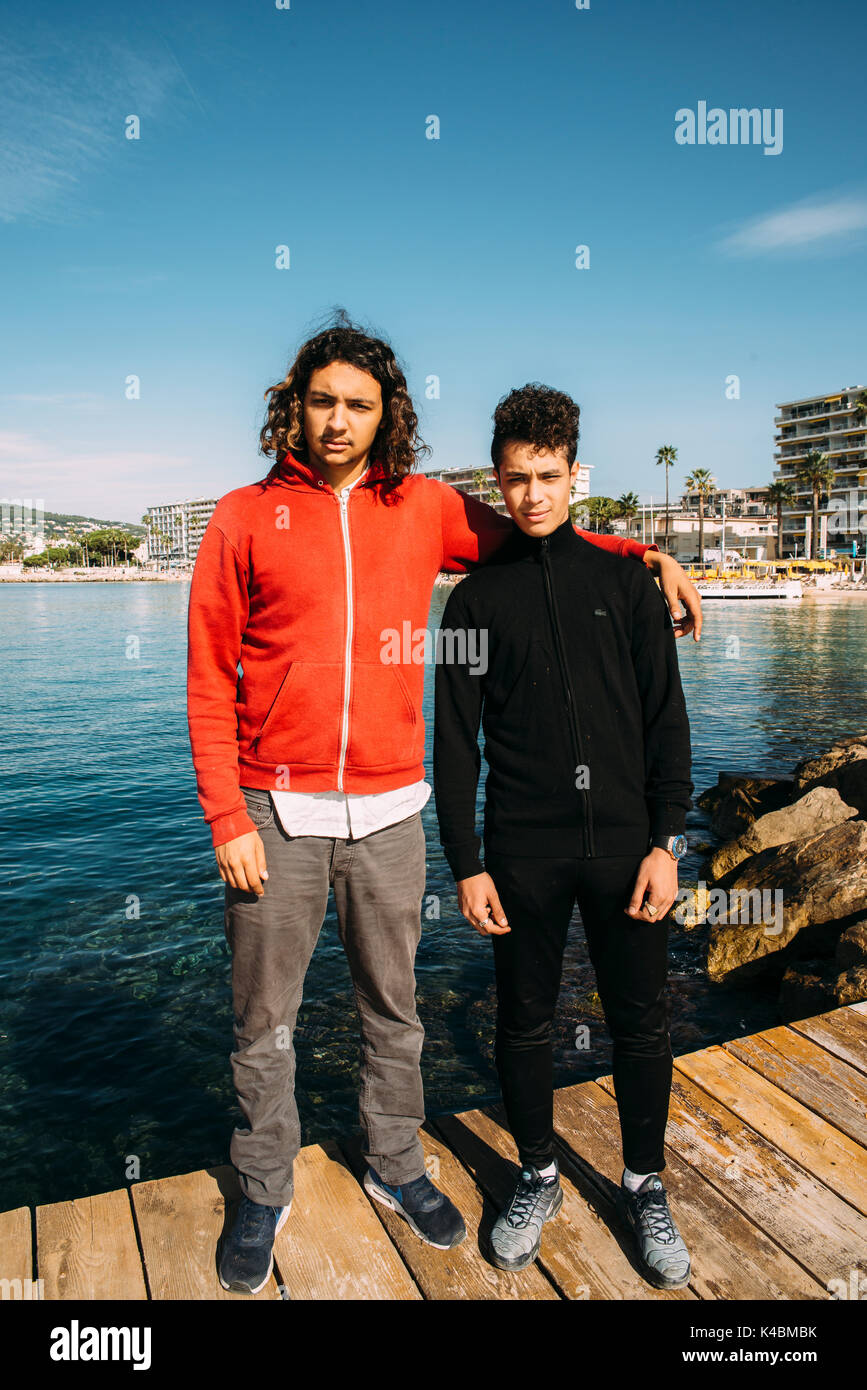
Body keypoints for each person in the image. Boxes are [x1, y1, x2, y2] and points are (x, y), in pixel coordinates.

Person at [186, 312, 701, 1294]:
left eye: (359, 404)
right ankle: (262, 1187)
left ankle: (394, 1164)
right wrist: (225, 817)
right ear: (295, 405)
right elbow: (209, 674)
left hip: (387, 814)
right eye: (323, 400)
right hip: (275, 813)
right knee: (265, 1022)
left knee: (396, 1012)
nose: (338, 420)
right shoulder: (242, 517)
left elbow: (540, 535)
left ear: (388, 416)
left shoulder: (422, 507)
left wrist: (643, 556)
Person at [433, 382, 695, 1289]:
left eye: (548, 476)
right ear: (495, 481)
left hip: (626, 846)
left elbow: (667, 723)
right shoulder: (470, 603)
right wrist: (466, 864)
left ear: (575, 475)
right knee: (524, 1020)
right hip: (522, 849)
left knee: (640, 1021)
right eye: (515, 480)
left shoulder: (626, 584)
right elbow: (452, 745)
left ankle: (642, 1185)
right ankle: (537, 1175)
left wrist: (667, 841)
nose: (532, 495)